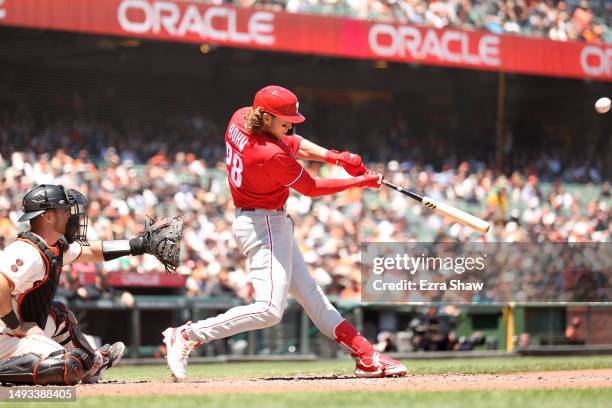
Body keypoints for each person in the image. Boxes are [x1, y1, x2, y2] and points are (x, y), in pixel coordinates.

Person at [163, 85, 407, 381]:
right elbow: (311, 187)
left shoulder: (240, 116)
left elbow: (293, 142)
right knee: (269, 309)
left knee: (313, 298)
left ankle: (366, 356)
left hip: (262, 221)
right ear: (265, 116)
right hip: (263, 225)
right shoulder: (267, 153)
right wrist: (359, 183)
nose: (290, 124)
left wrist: (336, 158)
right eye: (283, 119)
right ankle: (188, 334)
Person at [0, 184, 177, 385]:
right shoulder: (26, 251)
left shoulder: (52, 247)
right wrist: (18, 326)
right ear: (48, 216)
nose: (70, 215)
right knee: (68, 365)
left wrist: (137, 245)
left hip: (18, 332)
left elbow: (90, 251)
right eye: (65, 210)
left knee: (59, 315)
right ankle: (79, 365)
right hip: (6, 335)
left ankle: (93, 364)